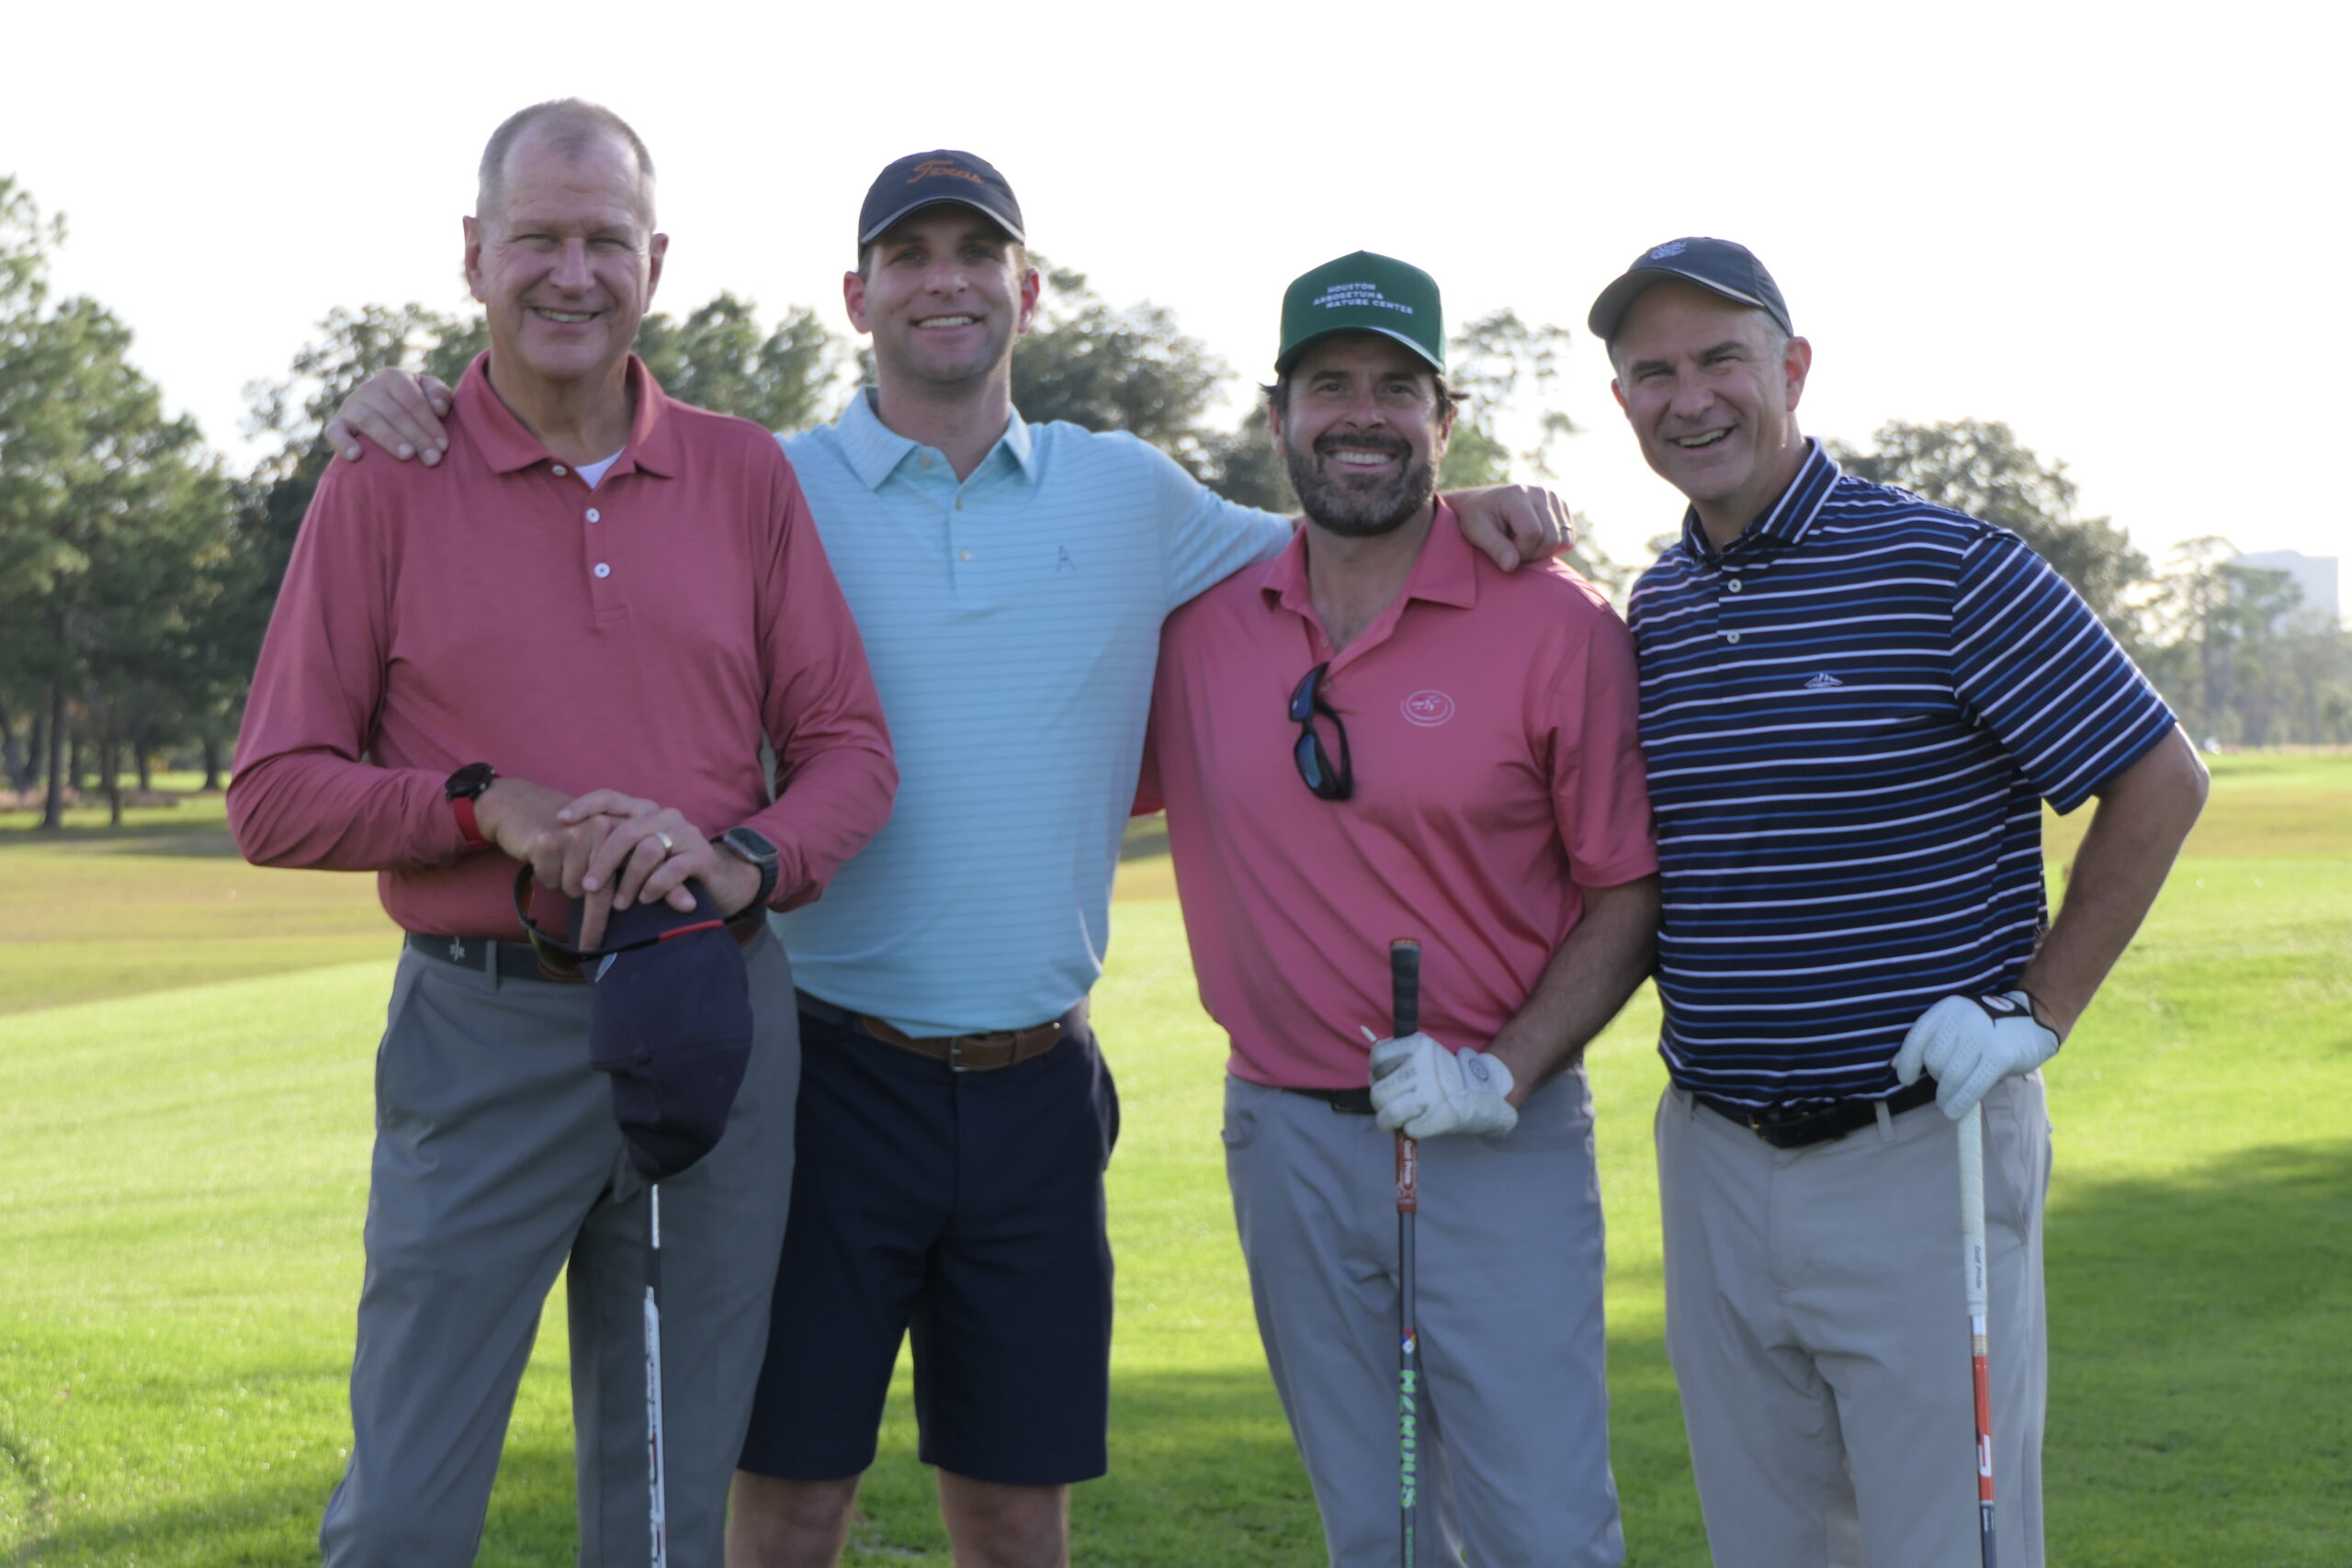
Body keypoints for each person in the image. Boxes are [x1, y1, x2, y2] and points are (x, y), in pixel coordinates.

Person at [320, 155, 1570, 1568]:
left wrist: (1467, 503)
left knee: (1018, 1520)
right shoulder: (764, 485)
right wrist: (399, 399)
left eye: (977, 253)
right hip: (819, 1072)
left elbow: (1334, 539)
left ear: (1028, 291)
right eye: (908, 256)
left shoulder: (1132, 494)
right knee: (789, 1508)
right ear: (857, 298)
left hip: (1039, 1085)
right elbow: (584, 477)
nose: (945, 281)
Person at [227, 99, 896, 1568]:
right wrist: (483, 805)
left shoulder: (742, 475)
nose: (572, 274)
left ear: (656, 261)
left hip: (712, 1017)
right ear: (475, 254)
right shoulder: (383, 478)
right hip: (487, 1039)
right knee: (404, 1515)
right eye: (538, 238)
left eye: (606, 240)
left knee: (661, 1517)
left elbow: (850, 751)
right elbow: (273, 791)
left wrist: (741, 862)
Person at [1589, 236, 2210, 1568]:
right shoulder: (1658, 607)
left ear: (1794, 368)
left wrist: (2038, 1011)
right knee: (1768, 1548)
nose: (1688, 398)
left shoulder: (1948, 567)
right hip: (1712, 1156)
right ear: (1622, 398)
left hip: (1921, 1152)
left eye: (1719, 360)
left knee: (1948, 1548)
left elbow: (2160, 778)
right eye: (1652, 373)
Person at [1136, 253, 1660, 1568]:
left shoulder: (1558, 625)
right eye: (1330, 387)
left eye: (1395, 388)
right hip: (1283, 1142)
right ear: (1278, 415)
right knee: (1377, 1532)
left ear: (1446, 418)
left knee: (1545, 1533)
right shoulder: (1197, 626)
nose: (1360, 415)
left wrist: (1497, 1074)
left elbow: (1627, 889)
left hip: (1495, 1139)